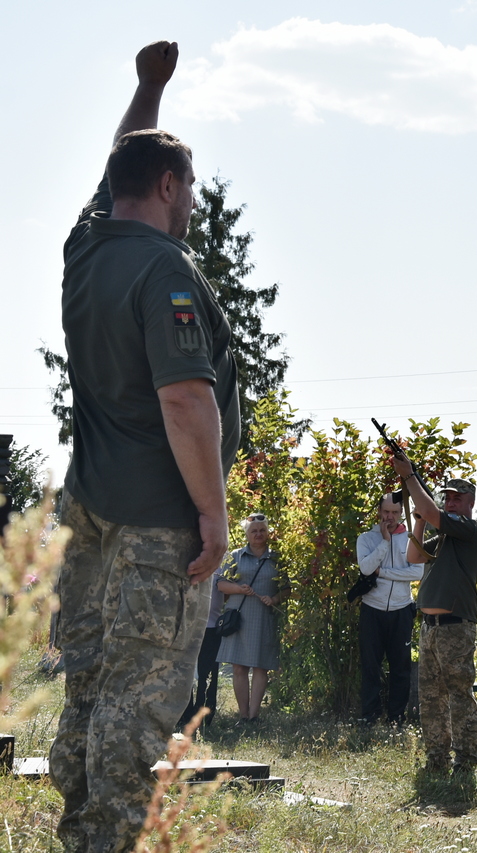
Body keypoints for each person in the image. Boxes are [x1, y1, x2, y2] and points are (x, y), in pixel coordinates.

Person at [49, 41, 240, 853]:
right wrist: (213, 515)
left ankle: (79, 836)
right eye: (188, 188)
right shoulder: (165, 270)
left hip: (89, 514)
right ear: (169, 187)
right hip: (158, 525)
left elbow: (116, 170)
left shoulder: (87, 248)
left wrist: (147, 90)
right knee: (138, 708)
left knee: (90, 693)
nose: (192, 203)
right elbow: (186, 399)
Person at [388, 455, 477, 778]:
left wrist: (410, 475)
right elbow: (413, 555)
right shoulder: (444, 536)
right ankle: (437, 757)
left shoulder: (469, 530)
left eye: (458, 498)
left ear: (470, 503)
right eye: (448, 497)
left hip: (455, 626)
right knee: (430, 698)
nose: (452, 502)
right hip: (430, 628)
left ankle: (467, 759)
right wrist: (418, 519)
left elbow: (433, 512)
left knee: (458, 695)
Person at [355, 492, 423, 725]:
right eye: (386, 512)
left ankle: (396, 717)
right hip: (371, 610)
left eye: (395, 512)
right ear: (379, 512)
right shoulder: (366, 539)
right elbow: (365, 568)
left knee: (400, 668)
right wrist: (384, 542)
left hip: (401, 610)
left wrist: (383, 573)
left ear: (401, 513)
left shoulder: (412, 538)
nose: (390, 517)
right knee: (371, 667)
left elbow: (417, 573)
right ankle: (369, 716)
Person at [216, 514, 290, 723]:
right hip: (239, 617)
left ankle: (254, 715)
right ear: (247, 534)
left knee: (261, 666)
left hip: (263, 616)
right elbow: (221, 585)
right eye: (253, 531)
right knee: (238, 667)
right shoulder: (235, 556)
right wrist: (239, 588)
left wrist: (274, 599)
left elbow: (287, 589)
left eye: (262, 530)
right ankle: (243, 715)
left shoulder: (277, 558)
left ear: (268, 533)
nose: (258, 534)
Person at [178, 570, 225, 730]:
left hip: (211, 626)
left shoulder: (222, 559)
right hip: (185, 624)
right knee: (184, 671)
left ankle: (205, 715)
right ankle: (184, 715)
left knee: (208, 674)